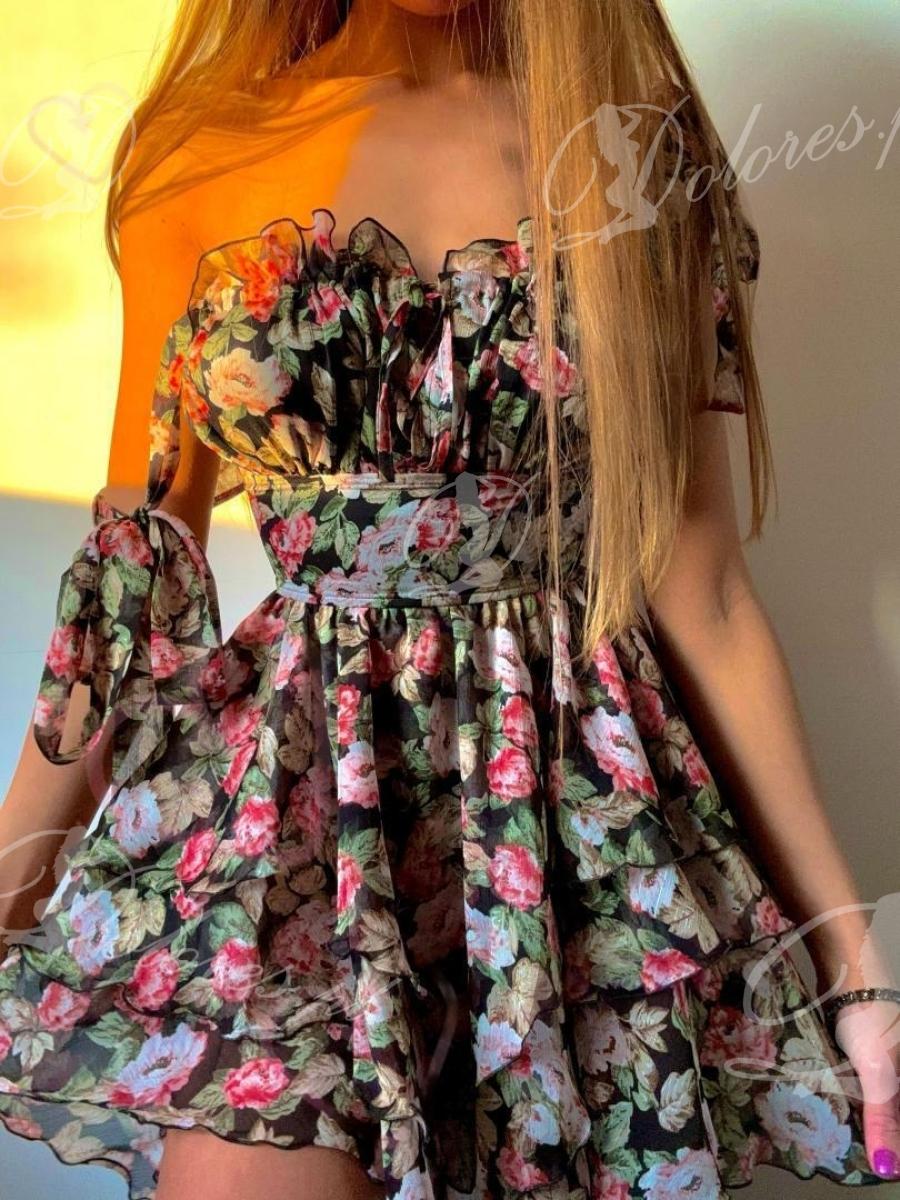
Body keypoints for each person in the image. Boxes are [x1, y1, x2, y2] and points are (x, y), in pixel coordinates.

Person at [0, 2, 897, 1198]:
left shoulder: (629, 153)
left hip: (572, 838)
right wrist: (8, 889)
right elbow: (135, 578)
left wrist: (852, 962)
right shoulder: (199, 157)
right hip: (300, 827)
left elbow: (705, 591)